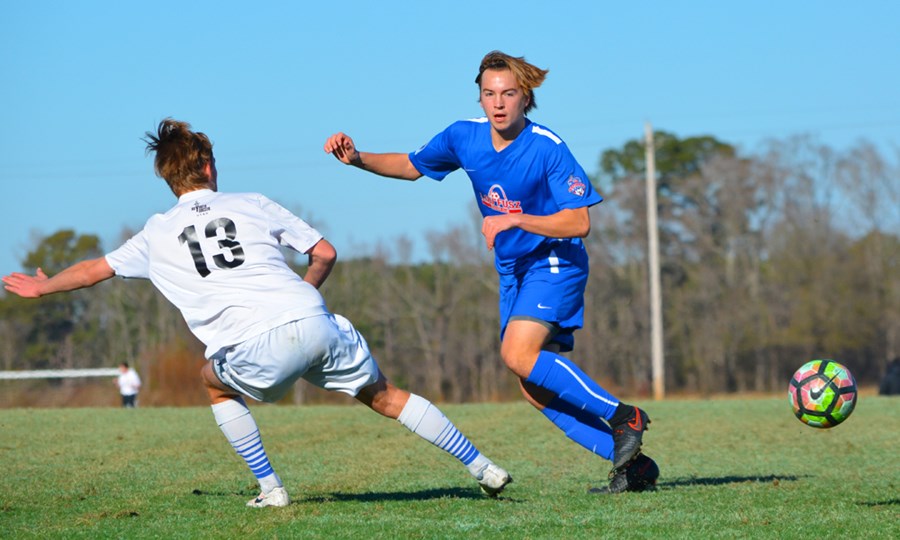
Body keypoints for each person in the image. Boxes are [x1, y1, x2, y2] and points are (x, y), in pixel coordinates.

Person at [3, 118, 511, 508]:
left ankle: (271, 488)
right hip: (314, 321)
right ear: (206, 168)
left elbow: (94, 270)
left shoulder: (156, 233)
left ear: (169, 179)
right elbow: (326, 253)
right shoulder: (253, 202)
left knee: (213, 381)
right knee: (384, 395)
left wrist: (45, 287)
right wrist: (303, 292)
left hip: (253, 344)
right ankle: (483, 467)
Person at [324, 50, 658, 493]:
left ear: (526, 98)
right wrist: (357, 157)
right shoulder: (464, 137)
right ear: (480, 99)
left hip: (555, 259)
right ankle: (634, 469)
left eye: (509, 93)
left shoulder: (547, 148)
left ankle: (623, 416)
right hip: (513, 270)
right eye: (489, 94)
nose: (498, 103)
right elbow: (410, 165)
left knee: (517, 355)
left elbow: (580, 222)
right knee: (533, 388)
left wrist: (515, 219)